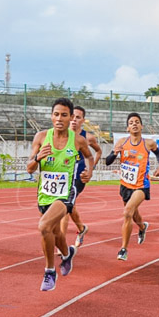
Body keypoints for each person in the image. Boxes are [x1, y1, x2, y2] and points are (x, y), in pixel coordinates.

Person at [26, 97, 95, 291]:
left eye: (64, 115)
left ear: (71, 117)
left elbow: (89, 157)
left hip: (66, 192)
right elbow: (29, 168)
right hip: (44, 193)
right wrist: (38, 158)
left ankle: (49, 271)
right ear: (51, 116)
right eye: (56, 114)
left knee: (44, 226)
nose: (59, 118)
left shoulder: (78, 140)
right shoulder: (40, 137)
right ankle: (67, 254)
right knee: (55, 233)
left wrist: (89, 172)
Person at [104, 112, 159, 261]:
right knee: (133, 213)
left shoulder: (148, 143)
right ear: (127, 128)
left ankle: (123, 249)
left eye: (137, 122)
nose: (134, 124)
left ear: (142, 126)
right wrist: (114, 154)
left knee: (127, 212)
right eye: (131, 122)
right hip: (125, 184)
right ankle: (142, 227)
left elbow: (158, 153)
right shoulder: (122, 143)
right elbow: (107, 161)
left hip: (141, 185)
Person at [60, 105, 102, 248]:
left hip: (79, 177)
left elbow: (98, 152)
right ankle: (82, 228)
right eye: (73, 116)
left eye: (78, 117)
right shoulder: (61, 135)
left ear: (83, 120)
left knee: (64, 208)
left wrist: (91, 169)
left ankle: (62, 244)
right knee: (70, 206)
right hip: (64, 176)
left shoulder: (87, 137)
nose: (74, 120)